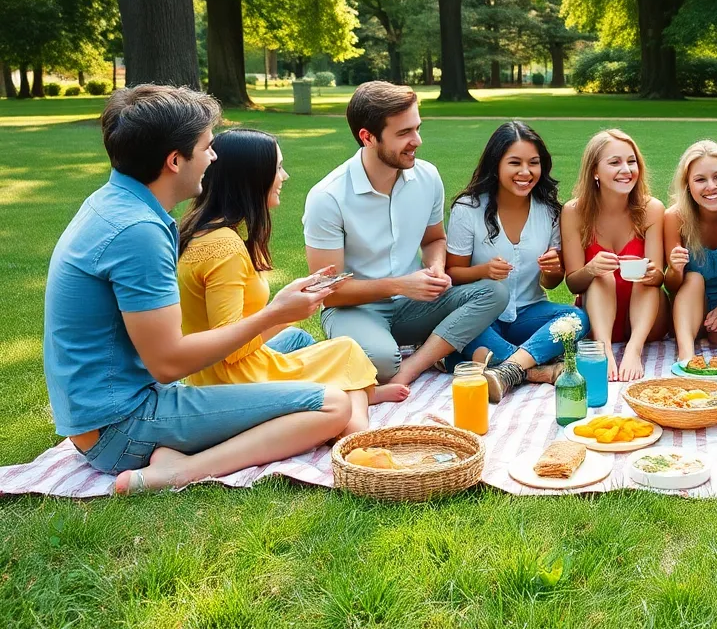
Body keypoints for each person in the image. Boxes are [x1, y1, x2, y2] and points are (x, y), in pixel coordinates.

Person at [44, 85, 353, 495]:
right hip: (120, 428)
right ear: (174, 160)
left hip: (103, 415)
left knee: (293, 341)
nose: (214, 157)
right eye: (207, 147)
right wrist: (274, 313)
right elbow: (169, 364)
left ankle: (172, 454)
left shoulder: (113, 202)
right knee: (333, 404)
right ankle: (180, 471)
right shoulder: (138, 232)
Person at [177, 129, 404, 440]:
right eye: (277, 168)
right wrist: (283, 312)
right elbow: (227, 350)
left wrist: (290, 303)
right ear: (252, 178)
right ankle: (357, 405)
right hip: (235, 382)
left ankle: (359, 390)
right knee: (348, 381)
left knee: (334, 347)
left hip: (226, 372)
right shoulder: (223, 249)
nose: (284, 176)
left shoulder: (209, 234)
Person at [304, 81, 509, 388]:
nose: (417, 140)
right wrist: (400, 285)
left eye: (416, 128)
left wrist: (436, 269)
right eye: (404, 133)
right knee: (382, 364)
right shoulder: (328, 197)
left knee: (495, 292)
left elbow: (433, 240)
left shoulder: (427, 177)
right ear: (367, 137)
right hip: (355, 309)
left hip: (414, 304)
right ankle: (422, 353)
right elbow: (328, 292)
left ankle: (415, 365)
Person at [446, 121, 590, 401]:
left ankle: (497, 364)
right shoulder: (468, 209)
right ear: (496, 164)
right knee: (462, 329)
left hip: (528, 312)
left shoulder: (548, 211)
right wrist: (483, 271)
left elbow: (552, 281)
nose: (526, 172)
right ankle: (537, 370)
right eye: (515, 163)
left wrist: (553, 269)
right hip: (481, 316)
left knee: (576, 319)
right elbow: (453, 274)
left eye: (533, 163)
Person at [561, 129, 670, 381]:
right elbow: (572, 282)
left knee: (643, 277)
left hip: (647, 320)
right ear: (595, 171)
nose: (626, 169)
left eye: (631, 161)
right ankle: (604, 350)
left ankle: (634, 349)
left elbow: (657, 280)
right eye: (615, 162)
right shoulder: (574, 212)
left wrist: (653, 273)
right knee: (602, 276)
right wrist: (591, 269)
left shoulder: (651, 209)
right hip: (598, 317)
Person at [664, 140, 717, 362]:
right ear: (688, 184)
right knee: (694, 277)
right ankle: (686, 355)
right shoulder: (675, 218)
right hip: (690, 312)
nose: (711, 186)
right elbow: (671, 286)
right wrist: (674, 268)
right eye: (700, 179)